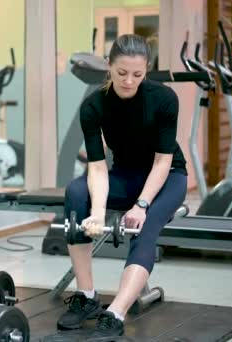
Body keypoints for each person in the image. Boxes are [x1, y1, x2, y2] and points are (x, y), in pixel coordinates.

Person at [57, 34, 188, 339]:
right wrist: (99, 212)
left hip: (167, 177)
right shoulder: (94, 106)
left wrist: (141, 205)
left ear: (147, 70)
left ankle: (115, 313)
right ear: (109, 66)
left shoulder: (164, 99)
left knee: (147, 224)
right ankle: (87, 296)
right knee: (76, 193)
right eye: (121, 73)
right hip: (123, 174)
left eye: (138, 75)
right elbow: (98, 166)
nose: (129, 81)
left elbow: (162, 162)